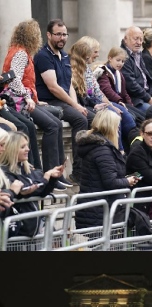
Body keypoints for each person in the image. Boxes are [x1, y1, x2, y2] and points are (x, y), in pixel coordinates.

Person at [34, 19, 93, 176]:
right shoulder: (43, 56)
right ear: (49, 35)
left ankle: (93, 165)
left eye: (64, 34)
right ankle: (78, 171)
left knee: (95, 118)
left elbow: (69, 85)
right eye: (58, 34)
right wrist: (75, 105)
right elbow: (53, 87)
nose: (62, 38)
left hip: (65, 101)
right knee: (81, 119)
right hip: (51, 101)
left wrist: (76, 104)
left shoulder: (65, 56)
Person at [3, 19, 62, 171]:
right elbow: (14, 79)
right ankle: (48, 170)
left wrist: (35, 99)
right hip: (20, 101)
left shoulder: (17, 51)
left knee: (56, 121)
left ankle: (55, 170)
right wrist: (28, 97)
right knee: (52, 125)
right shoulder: (21, 54)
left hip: (25, 99)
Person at [76, 110, 140, 229]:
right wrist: (128, 181)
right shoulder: (103, 150)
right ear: (111, 128)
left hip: (95, 208)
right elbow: (110, 182)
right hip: (100, 211)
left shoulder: (96, 147)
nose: (118, 131)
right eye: (117, 127)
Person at [0, 131, 65, 202]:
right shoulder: (4, 172)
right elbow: (25, 192)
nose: (27, 149)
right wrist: (45, 179)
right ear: (11, 149)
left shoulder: (27, 168)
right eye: (22, 147)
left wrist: (52, 178)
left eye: (27, 145)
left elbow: (42, 193)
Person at [120, 24, 152, 116]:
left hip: (145, 96)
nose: (139, 42)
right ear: (126, 39)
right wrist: (149, 99)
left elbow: (149, 80)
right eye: (136, 39)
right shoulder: (122, 56)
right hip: (134, 100)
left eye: (141, 39)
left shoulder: (138, 54)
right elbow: (131, 85)